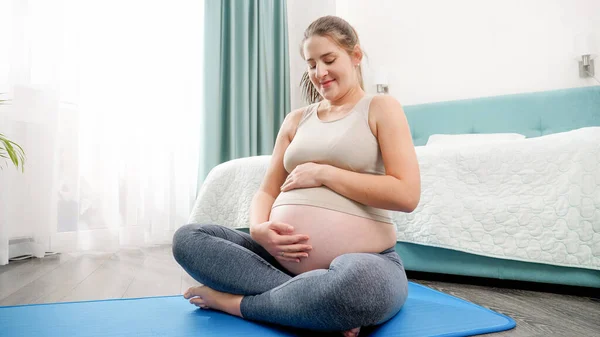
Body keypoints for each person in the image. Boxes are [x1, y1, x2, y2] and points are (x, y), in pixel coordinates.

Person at [172, 15, 421, 337]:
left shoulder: (380, 107)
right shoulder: (296, 120)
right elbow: (266, 191)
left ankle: (234, 304)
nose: (320, 73)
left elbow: (406, 195)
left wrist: (325, 173)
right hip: (276, 260)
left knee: (351, 289)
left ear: (355, 56)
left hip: (365, 262)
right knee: (189, 239)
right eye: (311, 64)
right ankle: (314, 304)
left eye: (329, 60)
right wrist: (260, 229)